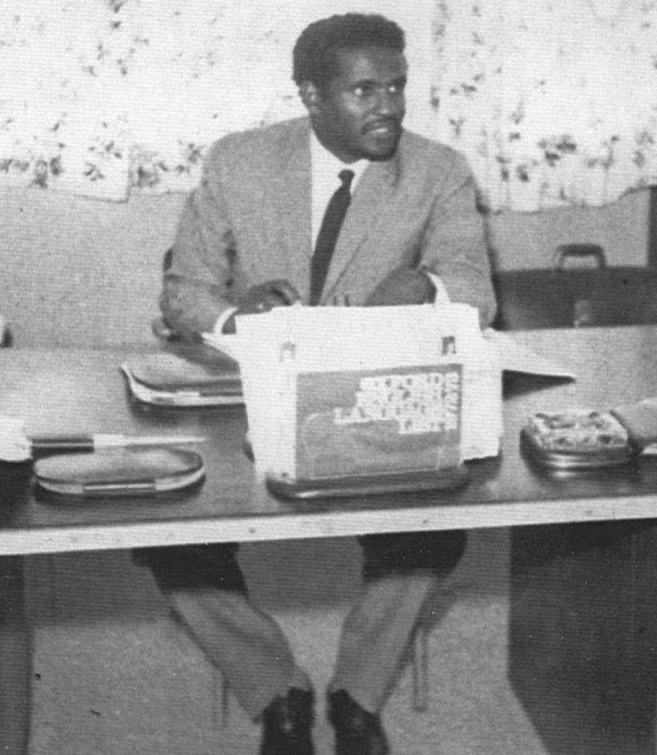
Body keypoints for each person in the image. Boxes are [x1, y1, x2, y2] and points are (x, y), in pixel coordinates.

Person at [138, 13, 496, 755]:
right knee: (167, 534)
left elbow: (474, 287)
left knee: (435, 525)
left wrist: (426, 288)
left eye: (397, 87)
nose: (389, 107)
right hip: (250, 399)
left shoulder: (439, 170)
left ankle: (358, 695)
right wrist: (241, 319)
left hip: (373, 400)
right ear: (310, 95)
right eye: (365, 90)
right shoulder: (239, 162)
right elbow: (184, 294)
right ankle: (278, 690)